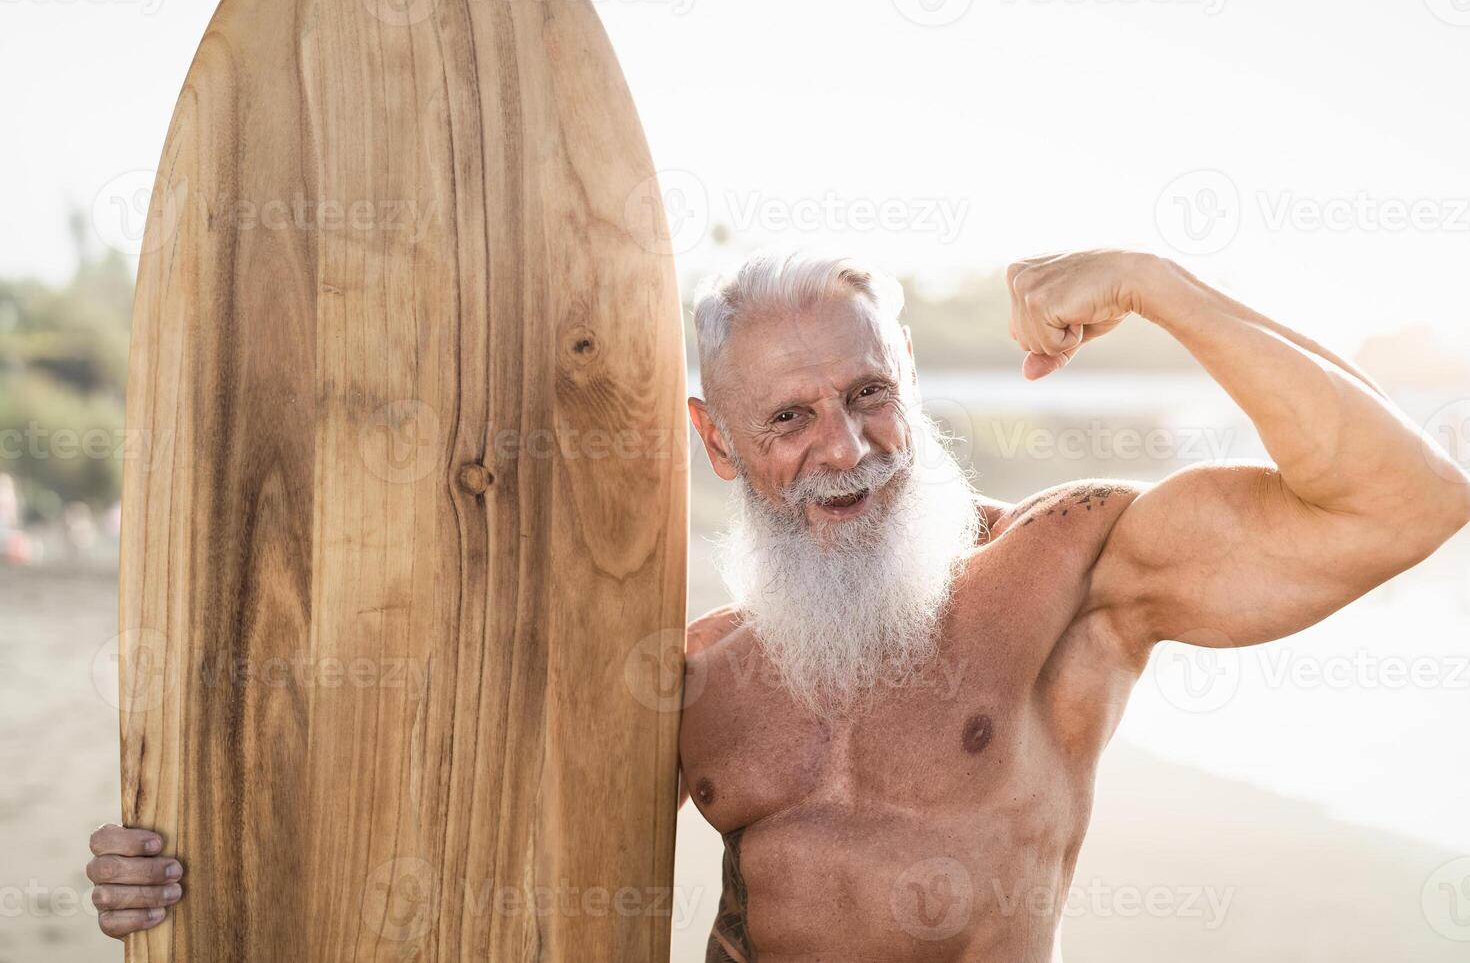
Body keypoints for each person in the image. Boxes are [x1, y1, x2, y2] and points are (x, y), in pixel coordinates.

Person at [87, 250, 1470, 959]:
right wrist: (186, 866)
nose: (845, 448)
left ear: (910, 391)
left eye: (870, 395)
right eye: (791, 415)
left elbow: (1403, 503)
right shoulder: (691, 680)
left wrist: (1160, 290)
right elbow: (436, 837)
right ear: (717, 440)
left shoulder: (1073, 574)